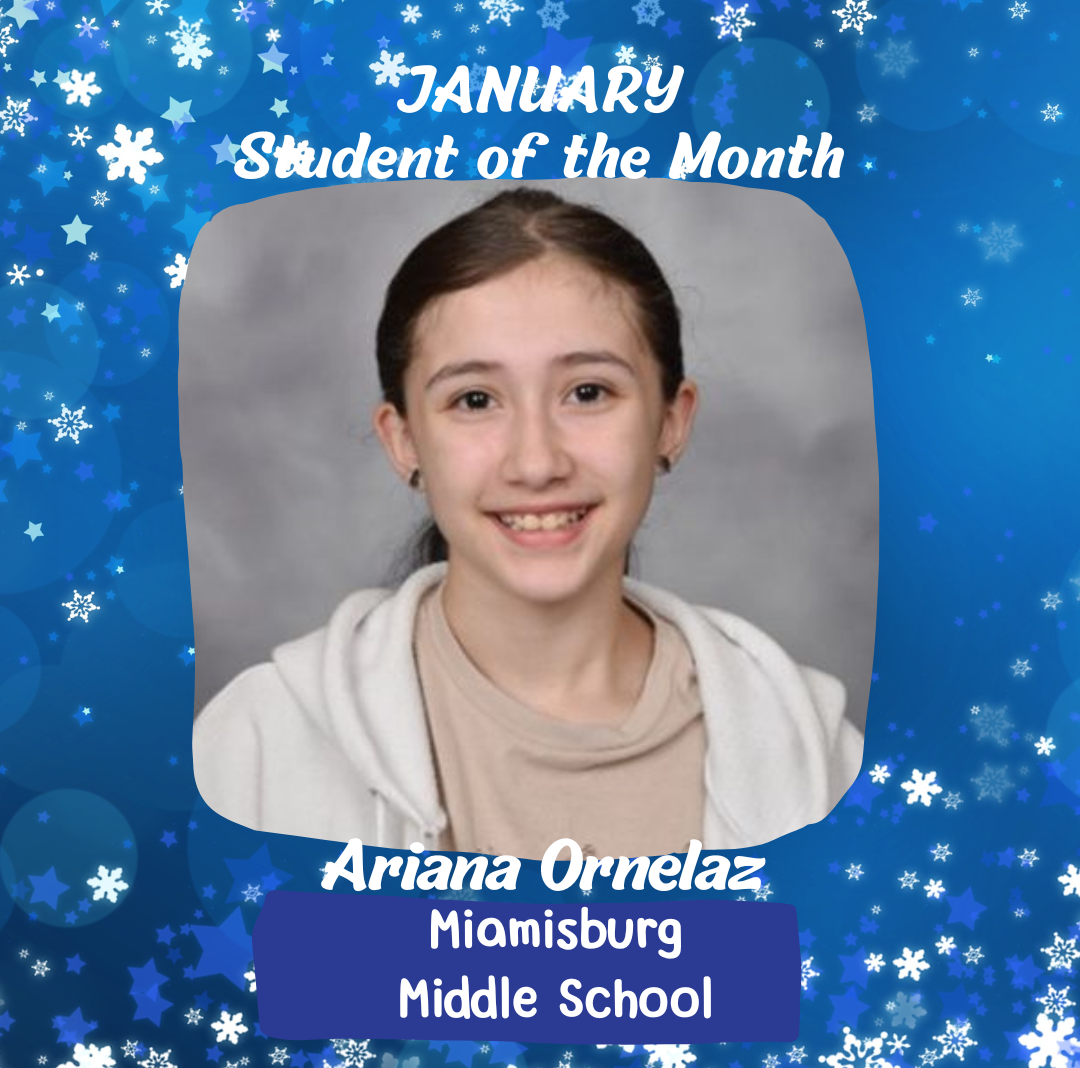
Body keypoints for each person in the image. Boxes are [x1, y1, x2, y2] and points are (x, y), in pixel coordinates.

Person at [192, 187, 863, 858]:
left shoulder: (815, 757)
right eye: (475, 399)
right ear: (403, 441)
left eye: (588, 392)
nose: (536, 462)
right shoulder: (257, 743)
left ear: (671, 420)